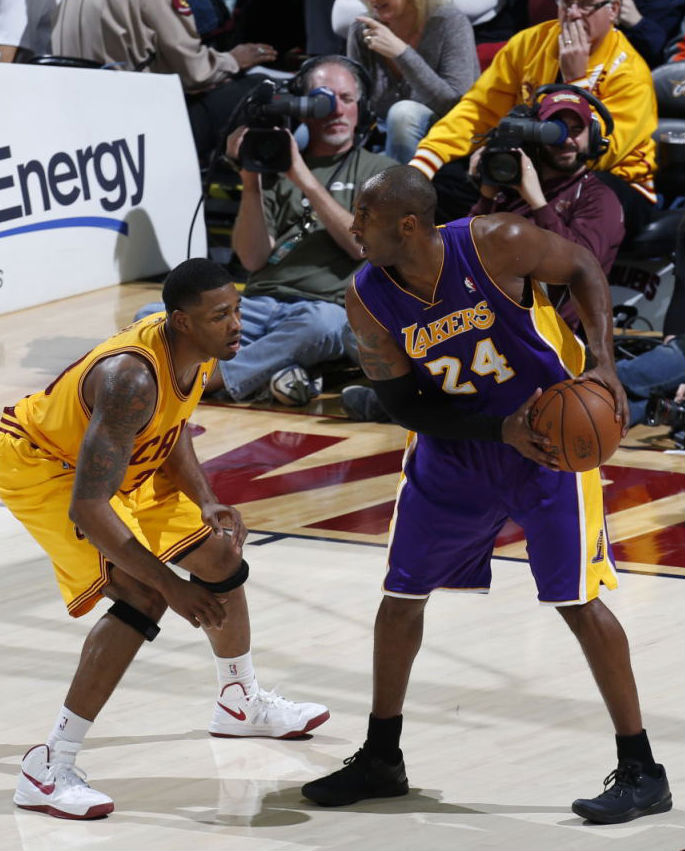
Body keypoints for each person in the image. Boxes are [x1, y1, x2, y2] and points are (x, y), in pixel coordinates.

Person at [300, 166, 672, 825]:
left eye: (365, 215)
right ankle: (381, 755)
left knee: (576, 601)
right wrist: (495, 430)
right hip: (456, 451)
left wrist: (604, 362)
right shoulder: (366, 296)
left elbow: (583, 264)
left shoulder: (495, 242)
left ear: (408, 225)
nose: (351, 226)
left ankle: (641, 768)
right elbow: (403, 403)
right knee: (400, 596)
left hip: (551, 448)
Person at [0, 259, 329, 820]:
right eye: (220, 315)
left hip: (114, 464)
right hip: (44, 462)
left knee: (219, 553)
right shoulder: (130, 378)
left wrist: (205, 499)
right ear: (180, 321)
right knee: (142, 595)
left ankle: (239, 702)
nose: (236, 324)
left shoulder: (195, 353)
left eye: (237, 309)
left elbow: (168, 429)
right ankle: (49, 767)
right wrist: (172, 588)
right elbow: (89, 506)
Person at [341, 86, 625, 420]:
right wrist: (489, 195)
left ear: (593, 136)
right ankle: (409, 404)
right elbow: (462, 251)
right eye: (553, 130)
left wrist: (538, 202)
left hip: (546, 334)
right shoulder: (508, 194)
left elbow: (583, 263)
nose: (565, 140)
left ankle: (404, 405)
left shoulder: (597, 197)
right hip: (479, 328)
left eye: (576, 130)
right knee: (362, 333)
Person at [137, 56, 397, 406]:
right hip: (257, 304)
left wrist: (301, 176)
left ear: (362, 109)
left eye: (347, 99)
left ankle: (211, 380)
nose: (336, 110)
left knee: (321, 325)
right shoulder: (272, 167)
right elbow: (252, 256)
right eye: (323, 100)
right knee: (151, 316)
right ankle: (275, 374)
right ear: (304, 111)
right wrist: (251, 179)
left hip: (322, 307)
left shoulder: (382, 171)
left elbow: (361, 246)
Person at [409, 0, 658, 245]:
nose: (572, 14)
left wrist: (576, 83)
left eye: (584, 5)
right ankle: (458, 274)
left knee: (579, 197)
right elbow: (478, 110)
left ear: (613, 9)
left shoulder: (630, 73)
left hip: (614, 179)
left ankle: (537, 277)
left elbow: (591, 154)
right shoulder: (529, 43)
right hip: (534, 165)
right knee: (443, 185)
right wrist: (426, 163)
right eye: (566, 4)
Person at [51, 0, 278, 161]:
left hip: (83, 120)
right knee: (261, 85)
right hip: (141, 129)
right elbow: (195, 71)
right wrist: (234, 60)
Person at [346, 0, 480, 163]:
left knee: (403, 114)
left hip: (445, 139)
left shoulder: (448, 22)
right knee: (306, 132)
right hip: (381, 141)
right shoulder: (363, 28)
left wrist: (402, 54)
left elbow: (457, 106)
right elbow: (357, 102)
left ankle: (404, 187)